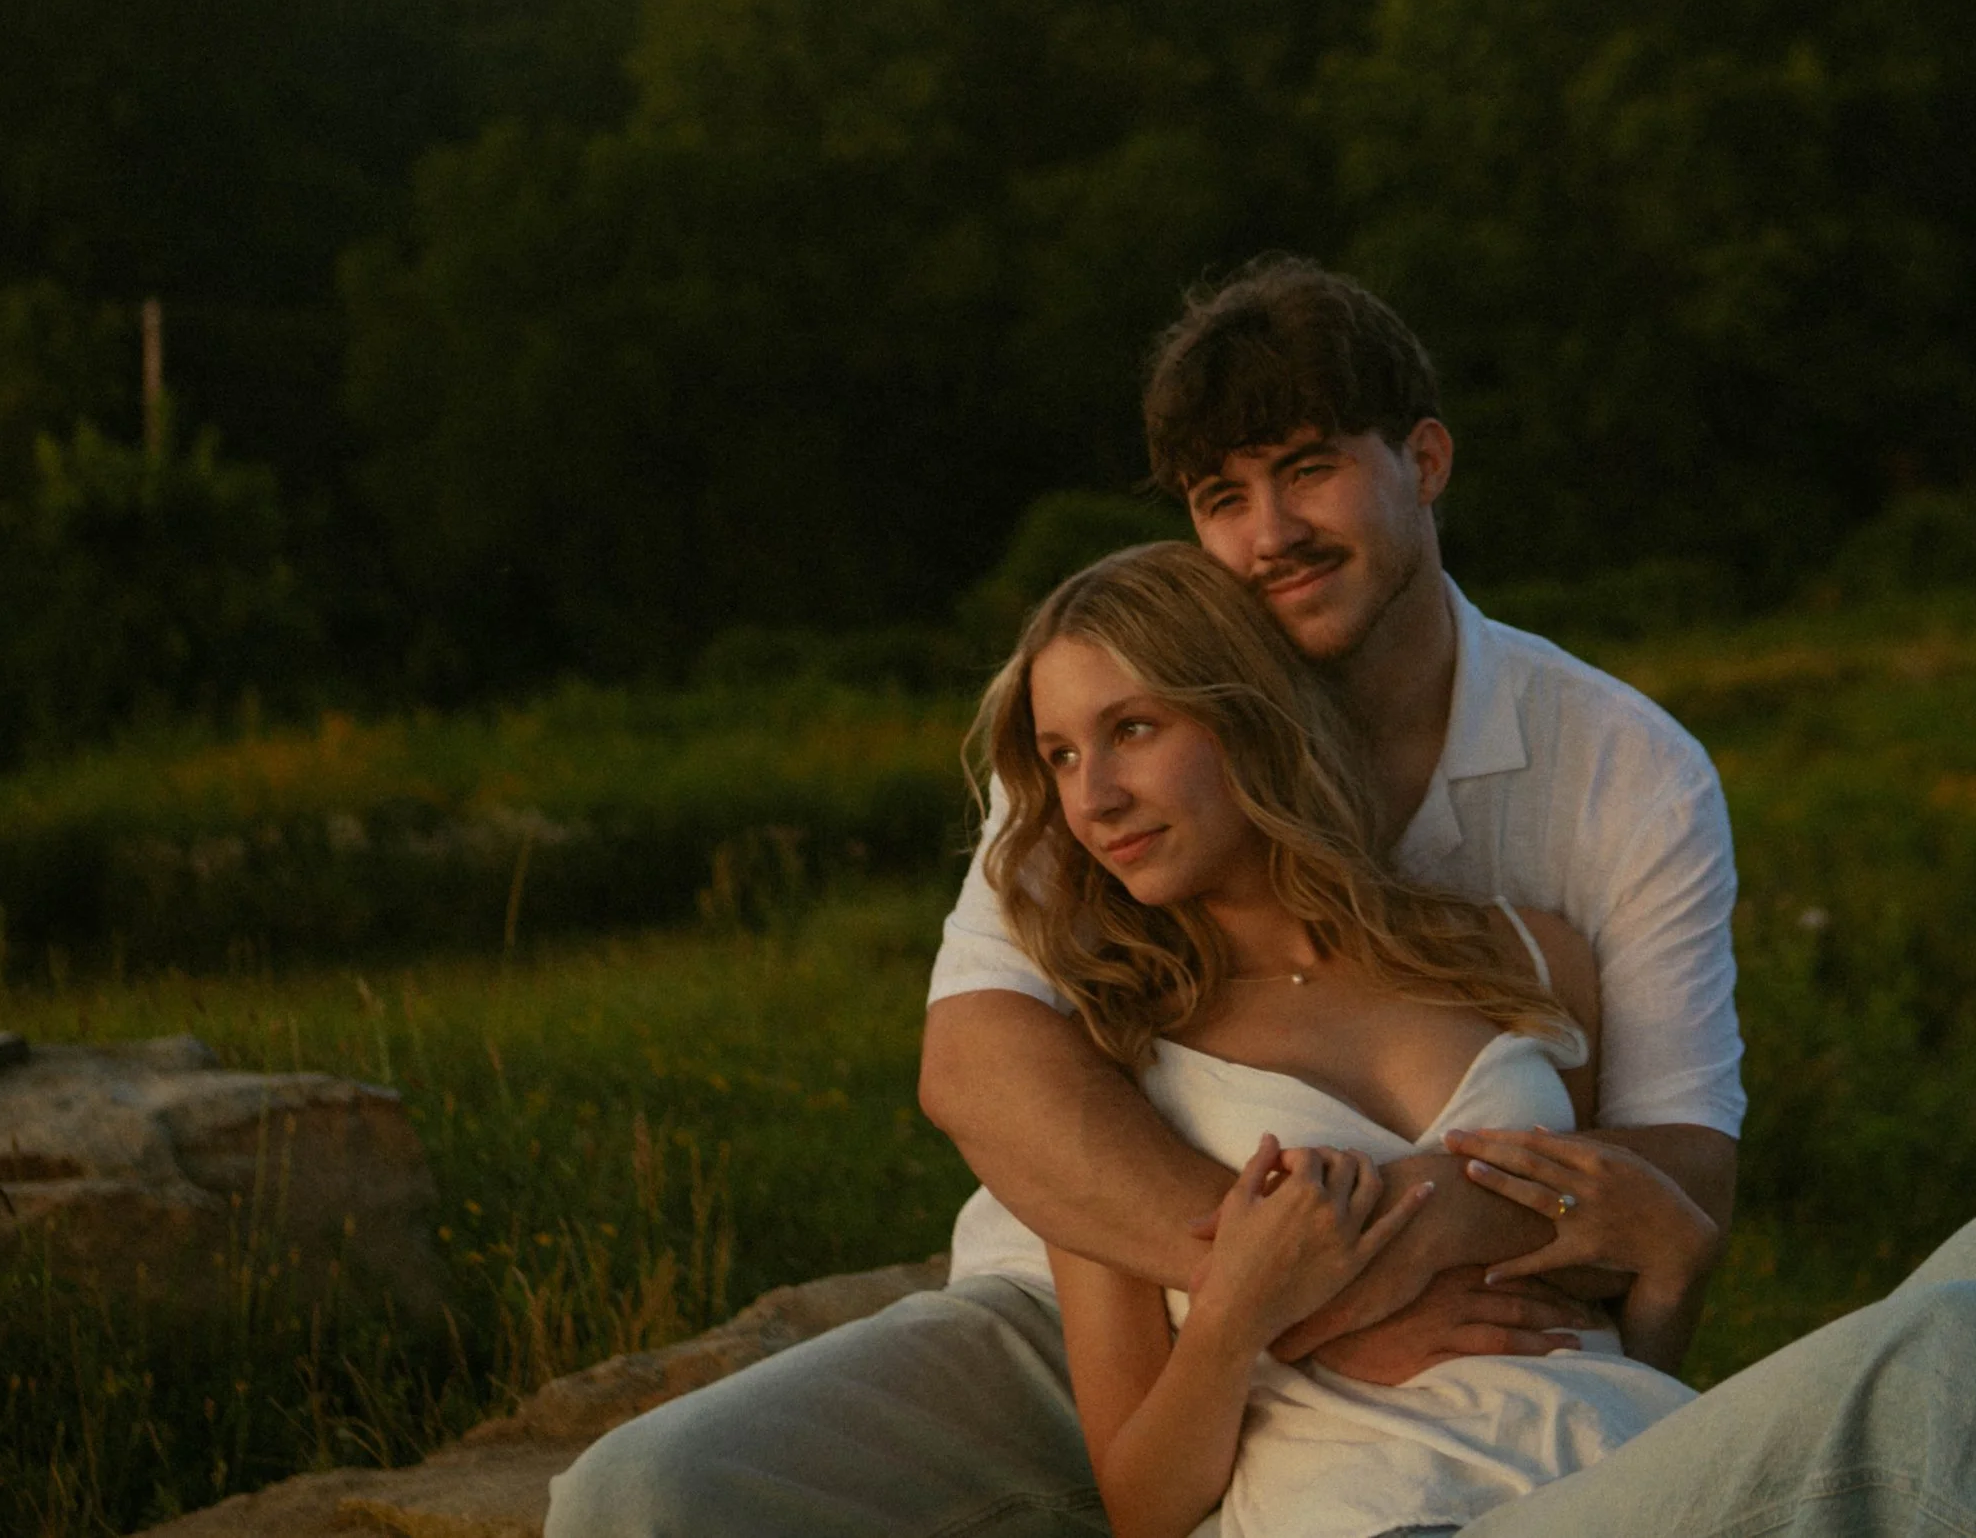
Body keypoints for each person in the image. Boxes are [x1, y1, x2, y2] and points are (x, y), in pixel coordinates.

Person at [550, 256, 1745, 1536]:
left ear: (1427, 462)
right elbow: (979, 1066)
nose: (1270, 533)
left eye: (1309, 467)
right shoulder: (1103, 751)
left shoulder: (1625, 770)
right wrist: (1288, 1305)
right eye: (1222, 495)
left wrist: (1333, 1292)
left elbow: (1672, 1166)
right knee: (645, 1496)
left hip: (1453, 1400)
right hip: (1075, 1323)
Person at [973, 540, 1976, 1538]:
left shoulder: (1521, 953)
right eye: (1059, 754)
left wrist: (1669, 1267)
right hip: (1403, 1516)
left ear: (1243, 716)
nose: (1092, 792)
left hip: (1641, 1459)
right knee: (1944, 1352)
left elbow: (1606, 1332)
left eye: (1133, 729)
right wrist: (1233, 1308)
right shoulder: (1110, 1068)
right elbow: (1143, 1504)